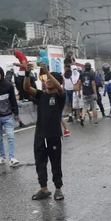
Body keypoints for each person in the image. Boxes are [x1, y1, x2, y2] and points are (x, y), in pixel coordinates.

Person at [24, 63, 66, 201]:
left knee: (55, 162)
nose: (48, 80)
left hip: (53, 135)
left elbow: (59, 88)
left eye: (51, 79)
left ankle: (58, 189)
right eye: (47, 79)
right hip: (40, 135)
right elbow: (26, 89)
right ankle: (44, 188)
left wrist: (48, 73)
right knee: (40, 162)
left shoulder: (60, 96)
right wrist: (26, 73)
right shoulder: (41, 95)